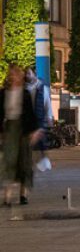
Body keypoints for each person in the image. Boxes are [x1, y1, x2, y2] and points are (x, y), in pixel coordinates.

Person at [0, 65, 38, 206]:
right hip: (9, 128)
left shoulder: (26, 93)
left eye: (17, 74)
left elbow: (31, 114)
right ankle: (7, 197)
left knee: (24, 162)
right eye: (12, 74)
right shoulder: (4, 93)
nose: (14, 77)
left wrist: (33, 131)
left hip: (23, 130)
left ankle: (23, 195)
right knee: (8, 162)